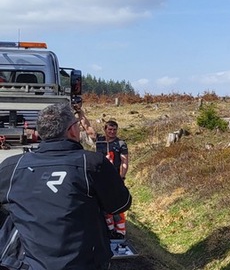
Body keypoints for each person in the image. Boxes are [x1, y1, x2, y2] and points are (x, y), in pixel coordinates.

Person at [0, 102, 132, 269]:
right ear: (72, 130)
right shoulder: (92, 163)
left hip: (26, 264)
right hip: (84, 263)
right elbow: (121, 204)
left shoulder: (12, 167)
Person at [86, 118, 129, 240]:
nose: (112, 132)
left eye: (114, 130)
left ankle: (120, 231)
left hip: (114, 178)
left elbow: (125, 162)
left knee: (116, 205)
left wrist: (121, 177)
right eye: (110, 129)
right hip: (99, 177)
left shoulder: (121, 144)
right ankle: (109, 230)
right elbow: (87, 128)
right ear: (105, 129)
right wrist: (80, 112)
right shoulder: (99, 140)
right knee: (103, 205)